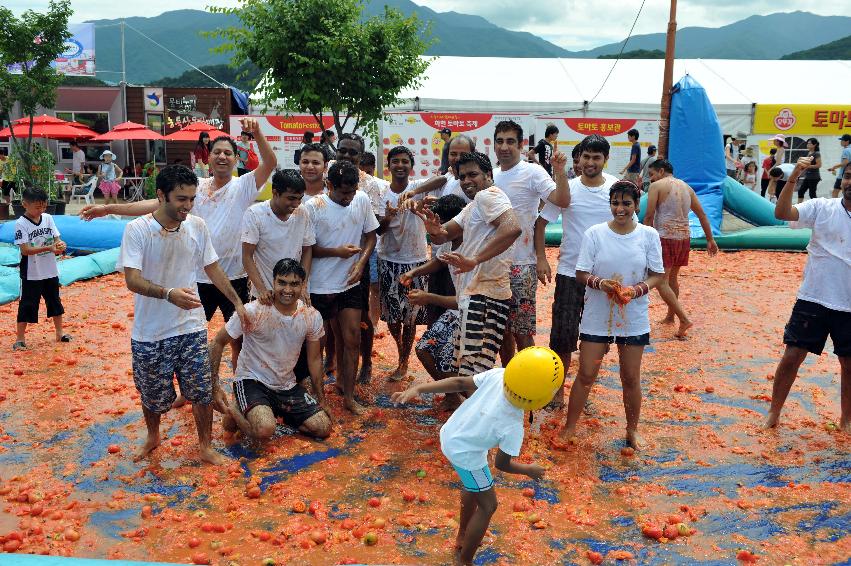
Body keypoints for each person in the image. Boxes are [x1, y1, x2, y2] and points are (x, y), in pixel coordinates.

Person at [80, 118, 277, 374]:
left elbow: (270, 163)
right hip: (197, 278)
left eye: (228, 153)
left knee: (239, 339)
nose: (222, 157)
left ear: (235, 158)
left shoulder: (244, 185)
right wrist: (107, 208)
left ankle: (240, 384)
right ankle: (189, 389)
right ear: (209, 157)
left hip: (234, 276)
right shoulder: (195, 187)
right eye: (217, 152)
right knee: (191, 337)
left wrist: (258, 133)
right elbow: (155, 203)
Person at [116, 164, 248, 465]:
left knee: (201, 390)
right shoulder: (137, 230)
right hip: (150, 331)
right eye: (181, 199)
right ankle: (153, 435)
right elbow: (131, 280)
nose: (187, 206)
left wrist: (238, 302)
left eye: (191, 199)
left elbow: (213, 268)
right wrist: (168, 293)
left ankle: (205, 446)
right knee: (152, 395)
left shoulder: (197, 227)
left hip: (190, 327)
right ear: (161, 196)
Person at [390, 346, 563, 566]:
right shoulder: (513, 425)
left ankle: (463, 535)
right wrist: (529, 469)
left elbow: (460, 383)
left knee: (474, 485)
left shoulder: (498, 374)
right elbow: (503, 464)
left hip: (453, 433)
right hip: (466, 452)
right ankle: (465, 561)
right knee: (489, 505)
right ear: (541, 398)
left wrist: (420, 388)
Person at [560, 180, 665, 449]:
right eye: (615, 203)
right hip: (598, 314)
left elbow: (657, 275)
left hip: (633, 316)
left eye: (626, 204)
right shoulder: (594, 234)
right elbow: (581, 273)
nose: (620, 209)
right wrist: (601, 284)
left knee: (630, 377)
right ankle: (570, 426)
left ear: (636, 206)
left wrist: (635, 290)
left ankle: (632, 430)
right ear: (610, 205)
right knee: (585, 373)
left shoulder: (648, 235)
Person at [414, 151, 522, 377]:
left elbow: (512, 228)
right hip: (477, 297)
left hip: (484, 298)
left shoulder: (488, 196)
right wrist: (434, 232)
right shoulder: (473, 206)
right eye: (462, 177)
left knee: (473, 375)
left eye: (472, 174)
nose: (466, 181)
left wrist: (475, 259)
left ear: (489, 175)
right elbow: (444, 235)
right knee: (470, 373)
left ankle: (489, 412)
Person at [766, 159, 851, 432]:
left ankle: (846, 421)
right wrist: (795, 177)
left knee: (849, 364)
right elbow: (782, 213)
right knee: (792, 356)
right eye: (848, 177)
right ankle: (773, 413)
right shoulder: (823, 207)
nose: (850, 183)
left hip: (849, 305)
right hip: (813, 298)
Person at [538, 134, 619, 407]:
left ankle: (584, 386)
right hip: (570, 272)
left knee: (599, 337)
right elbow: (541, 223)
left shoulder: (616, 188)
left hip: (606, 278)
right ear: (579, 159)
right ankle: (558, 390)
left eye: (597, 157)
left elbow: (629, 228)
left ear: (605, 160)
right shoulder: (567, 188)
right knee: (562, 335)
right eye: (586, 157)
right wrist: (541, 258)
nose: (591, 162)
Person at [213, 259, 332, 442]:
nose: (287, 289)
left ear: (303, 285)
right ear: (274, 282)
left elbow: (315, 360)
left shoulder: (311, 316)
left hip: (286, 385)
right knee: (264, 431)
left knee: (323, 427)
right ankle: (238, 410)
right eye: (282, 282)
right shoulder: (253, 311)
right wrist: (214, 386)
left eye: (294, 284)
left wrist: (321, 398)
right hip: (252, 380)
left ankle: (268, 410)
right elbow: (218, 342)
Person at [304, 160, 378, 415]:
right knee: (319, 343)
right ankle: (317, 397)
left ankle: (349, 395)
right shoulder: (313, 207)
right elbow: (307, 248)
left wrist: (361, 262)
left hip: (350, 282)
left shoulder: (362, 200)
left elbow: (371, 235)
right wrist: (336, 252)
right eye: (343, 192)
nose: (349, 197)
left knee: (352, 339)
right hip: (320, 285)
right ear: (329, 185)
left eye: (353, 191)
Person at [491, 120, 569, 364]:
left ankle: (531, 385)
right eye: (500, 141)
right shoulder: (491, 176)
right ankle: (507, 380)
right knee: (501, 332)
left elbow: (561, 200)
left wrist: (559, 171)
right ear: (494, 145)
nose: (505, 147)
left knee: (522, 332)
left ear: (521, 144)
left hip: (522, 265)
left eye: (510, 141)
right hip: (493, 264)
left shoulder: (532, 171)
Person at [405, 194, 468, 411]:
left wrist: (428, 297)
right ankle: (453, 395)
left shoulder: (473, 249)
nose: (438, 231)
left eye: (441, 225)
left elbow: (465, 301)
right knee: (424, 350)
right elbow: (439, 262)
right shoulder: (448, 243)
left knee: (448, 357)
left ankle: (473, 400)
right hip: (456, 311)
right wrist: (414, 271)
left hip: (472, 312)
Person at [643, 159, 719, 338]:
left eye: (652, 175)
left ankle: (683, 318)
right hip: (684, 238)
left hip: (665, 237)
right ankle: (670, 316)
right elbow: (702, 214)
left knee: (660, 280)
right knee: (672, 279)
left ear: (661, 171)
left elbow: (649, 216)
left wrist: (644, 240)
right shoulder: (687, 187)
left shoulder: (657, 187)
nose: (651, 179)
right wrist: (710, 239)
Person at [375, 146, 432, 381]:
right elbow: (378, 231)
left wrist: (415, 195)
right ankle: (400, 351)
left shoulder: (419, 188)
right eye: (395, 161)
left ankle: (404, 360)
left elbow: (440, 179)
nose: (400, 165)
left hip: (416, 261)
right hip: (388, 260)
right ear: (388, 166)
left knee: (410, 316)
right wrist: (388, 217)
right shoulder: (381, 194)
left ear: (411, 166)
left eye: (405, 161)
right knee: (392, 317)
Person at [241, 169, 314, 304]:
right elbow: (246, 256)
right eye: (291, 198)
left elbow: (307, 249)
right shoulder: (254, 214)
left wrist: (302, 286)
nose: (296, 204)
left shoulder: (302, 212)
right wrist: (261, 289)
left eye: (300, 198)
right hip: (265, 294)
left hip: (294, 293)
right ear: (275, 193)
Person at [13, 187, 70, 351]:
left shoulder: (48, 218)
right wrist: (49, 248)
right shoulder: (20, 224)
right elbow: (25, 250)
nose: (41, 210)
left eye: (43, 206)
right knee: (27, 303)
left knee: (54, 300)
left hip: (50, 269)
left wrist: (60, 244)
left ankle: (60, 333)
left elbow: (57, 239)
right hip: (32, 272)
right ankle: (20, 338)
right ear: (25, 204)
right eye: (37, 207)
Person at [797, 138, 822, 203]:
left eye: (809, 143)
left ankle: (817, 206)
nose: (807, 145)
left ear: (814, 145)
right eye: (807, 143)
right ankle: (798, 206)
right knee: (801, 191)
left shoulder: (816, 153)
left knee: (812, 194)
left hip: (814, 177)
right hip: (808, 176)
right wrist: (800, 173)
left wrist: (807, 166)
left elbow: (819, 165)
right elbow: (806, 166)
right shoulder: (809, 153)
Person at [828, 134, 851, 199]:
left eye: (842, 140)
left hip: (843, 175)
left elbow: (845, 163)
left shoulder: (846, 150)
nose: (841, 142)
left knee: (835, 192)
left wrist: (834, 167)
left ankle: (834, 207)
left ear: (847, 141)